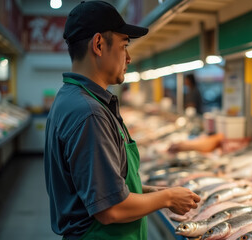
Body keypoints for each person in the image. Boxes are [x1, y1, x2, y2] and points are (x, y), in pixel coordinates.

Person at [44, 2, 200, 240]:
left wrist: (150, 191)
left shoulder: (72, 98)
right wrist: (167, 199)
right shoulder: (89, 113)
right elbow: (110, 209)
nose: (128, 57)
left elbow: (99, 186)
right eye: (124, 45)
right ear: (98, 45)